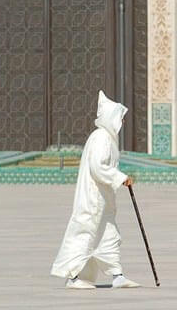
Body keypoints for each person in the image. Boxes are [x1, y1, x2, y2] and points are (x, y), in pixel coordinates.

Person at [51, 91, 141, 289]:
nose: (122, 122)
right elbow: (97, 167)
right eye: (120, 118)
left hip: (104, 199)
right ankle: (73, 277)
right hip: (93, 198)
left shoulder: (108, 138)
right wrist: (120, 178)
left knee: (109, 234)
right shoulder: (101, 137)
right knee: (84, 234)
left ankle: (117, 276)